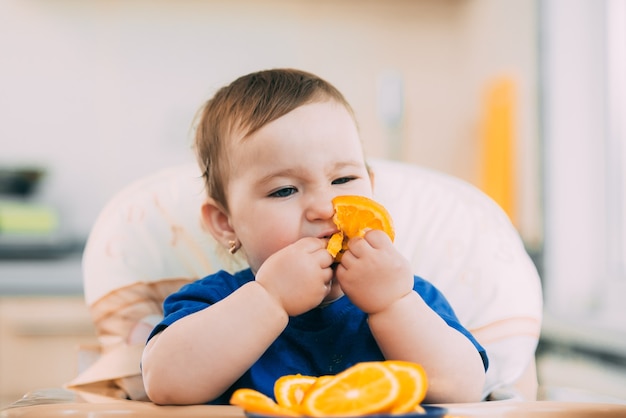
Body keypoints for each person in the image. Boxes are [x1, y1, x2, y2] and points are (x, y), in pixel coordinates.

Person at [141, 68, 488, 405]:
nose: (325, 207)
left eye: (343, 180)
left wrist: (392, 305)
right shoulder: (215, 302)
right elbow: (164, 382)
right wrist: (269, 298)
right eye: (285, 190)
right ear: (226, 223)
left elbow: (465, 388)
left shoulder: (408, 295)